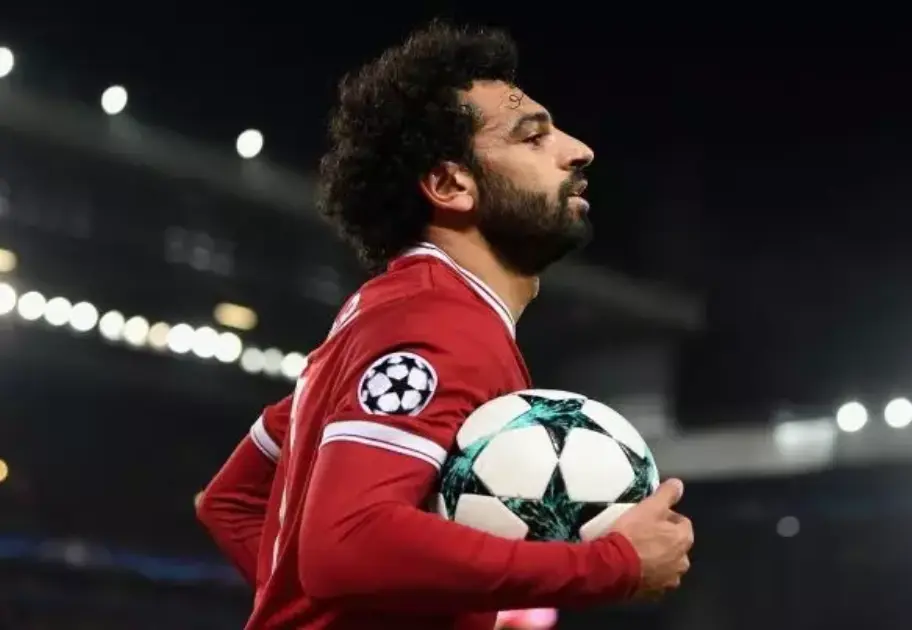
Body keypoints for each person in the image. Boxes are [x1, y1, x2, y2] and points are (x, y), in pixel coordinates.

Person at [196, 21, 693, 630]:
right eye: (532, 137)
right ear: (450, 184)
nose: (578, 149)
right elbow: (348, 542)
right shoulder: (441, 324)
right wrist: (611, 564)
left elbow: (231, 501)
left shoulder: (390, 312)